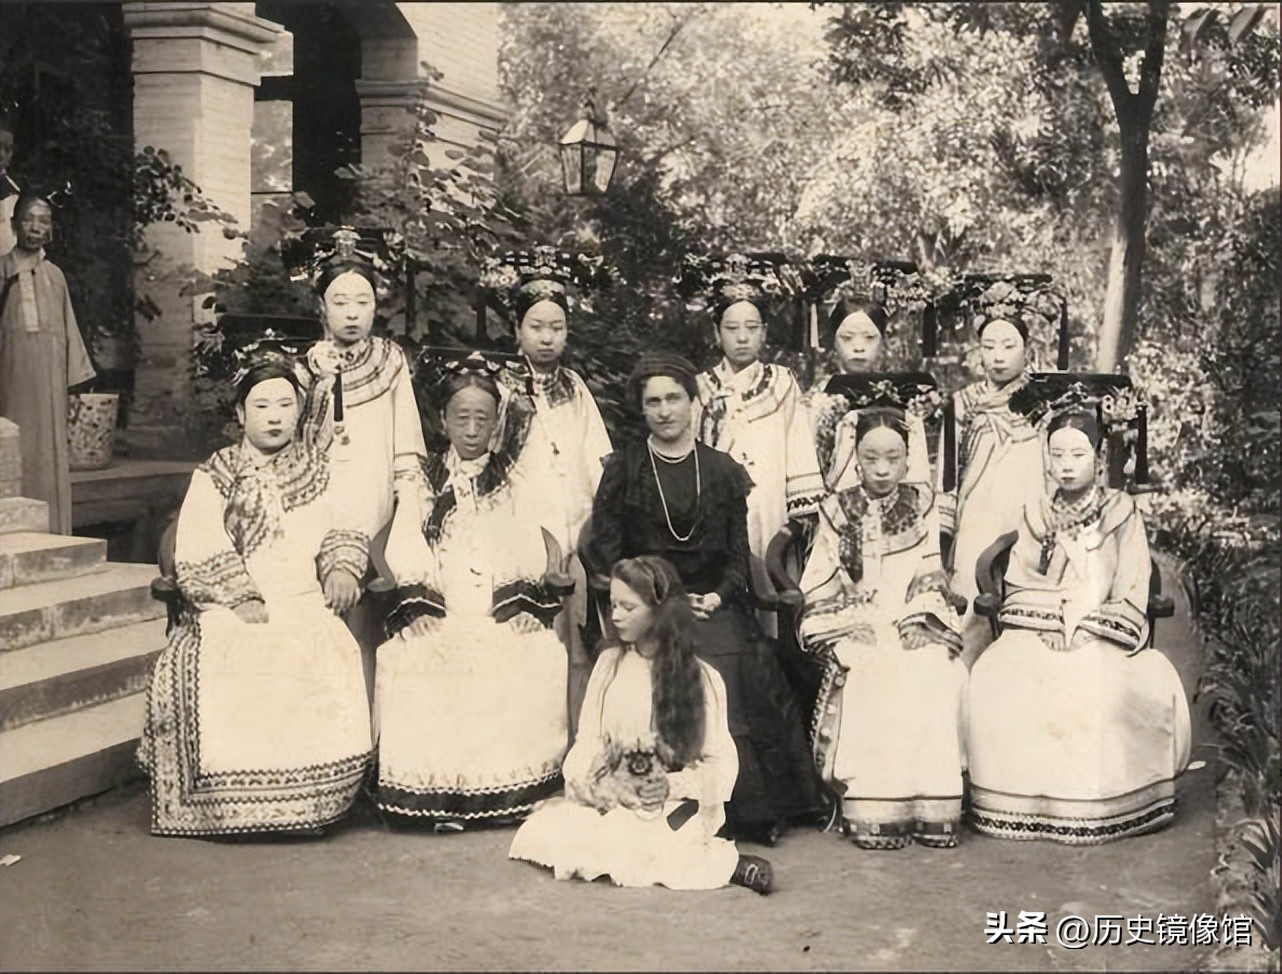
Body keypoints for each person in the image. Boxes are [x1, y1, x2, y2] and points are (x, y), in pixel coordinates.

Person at [583, 351, 824, 845]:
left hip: (713, 604)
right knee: (677, 650)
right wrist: (659, 600)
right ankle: (664, 795)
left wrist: (716, 596)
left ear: (695, 403)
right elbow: (608, 553)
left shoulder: (722, 471)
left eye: (675, 398)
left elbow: (738, 556)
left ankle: (746, 809)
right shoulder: (624, 469)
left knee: (734, 656)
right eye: (654, 402)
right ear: (642, 409)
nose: (665, 410)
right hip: (648, 606)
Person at [138, 349, 373, 836]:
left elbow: (343, 527)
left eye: (285, 405)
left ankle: (311, 802)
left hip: (305, 597)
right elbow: (199, 542)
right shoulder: (216, 474)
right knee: (226, 649)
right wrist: (240, 596)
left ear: (299, 411)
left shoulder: (321, 470)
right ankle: (226, 804)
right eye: (262, 405)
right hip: (231, 598)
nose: (274, 416)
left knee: (323, 648)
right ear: (241, 413)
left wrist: (342, 569)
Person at [966, 401, 1192, 844]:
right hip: (1038, 627)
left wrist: (1087, 628)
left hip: (1101, 629)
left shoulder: (1122, 511)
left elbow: (1131, 585)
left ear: (1098, 458)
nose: (1066, 466)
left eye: (1078, 455)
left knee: (1097, 686)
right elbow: (1019, 580)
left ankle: (1097, 805)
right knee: (997, 678)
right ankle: (1019, 807)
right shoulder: (1036, 511)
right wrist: (1049, 625)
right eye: (1058, 455)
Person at [373, 355, 569, 829]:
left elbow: (526, 541)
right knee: (422, 656)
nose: (472, 428)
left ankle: (506, 791)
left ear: (497, 423)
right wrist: (420, 603)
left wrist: (523, 603)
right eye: (462, 417)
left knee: (530, 653)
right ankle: (436, 794)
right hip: (441, 606)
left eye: (483, 417)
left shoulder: (511, 482)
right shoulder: (422, 481)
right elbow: (404, 541)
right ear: (443, 420)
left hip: (495, 607)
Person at [509, 556, 773, 893]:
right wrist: (595, 783)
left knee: (655, 837)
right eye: (612, 604)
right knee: (558, 831)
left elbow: (719, 765)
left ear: (660, 611)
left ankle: (728, 862)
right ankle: (703, 860)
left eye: (628, 607)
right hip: (613, 795)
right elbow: (587, 740)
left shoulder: (701, 678)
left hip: (668, 802)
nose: (615, 615)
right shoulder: (608, 665)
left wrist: (669, 787)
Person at [798, 405, 966, 849]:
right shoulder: (837, 509)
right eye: (871, 458)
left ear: (909, 457)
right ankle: (875, 807)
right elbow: (820, 577)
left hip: (910, 613)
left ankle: (931, 805)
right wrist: (847, 623)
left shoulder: (921, 503)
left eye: (893, 457)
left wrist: (922, 622)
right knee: (869, 665)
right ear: (855, 456)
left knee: (929, 664)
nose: (883, 468)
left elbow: (931, 569)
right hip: (857, 615)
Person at [483, 247, 615, 739]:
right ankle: (525, 741)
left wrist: (597, 528)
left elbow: (598, 462)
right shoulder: (498, 386)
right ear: (517, 329)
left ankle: (575, 740)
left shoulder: (574, 386)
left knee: (577, 643)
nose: (546, 337)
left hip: (575, 530)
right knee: (523, 640)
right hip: (519, 530)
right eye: (536, 326)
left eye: (556, 327)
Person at [301, 230, 428, 697]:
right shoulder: (306, 369)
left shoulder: (390, 362)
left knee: (371, 628)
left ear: (376, 306)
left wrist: (407, 506)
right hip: (324, 507)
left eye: (362, 301)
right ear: (322, 308)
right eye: (340, 302)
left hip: (376, 507)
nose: (352, 312)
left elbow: (407, 445)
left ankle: (371, 731)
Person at [689, 254, 825, 634]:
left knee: (774, 594)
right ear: (716, 333)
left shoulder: (782, 383)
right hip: (716, 514)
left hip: (770, 509)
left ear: (764, 331)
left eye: (751, 327)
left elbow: (797, 446)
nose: (742, 336)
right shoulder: (698, 388)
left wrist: (799, 518)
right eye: (732, 328)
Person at [937, 315, 1045, 667]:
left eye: (1009, 346)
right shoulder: (962, 404)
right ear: (977, 351)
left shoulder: (1043, 404)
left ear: (1027, 350)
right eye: (989, 346)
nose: (999, 356)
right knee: (970, 607)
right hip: (977, 519)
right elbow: (947, 475)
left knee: (1025, 607)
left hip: (1028, 516)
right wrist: (943, 531)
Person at [0, 192, 95, 533]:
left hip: (51, 382)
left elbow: (68, 329)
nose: (36, 227)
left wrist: (75, 382)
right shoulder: (3, 268)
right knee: (15, 449)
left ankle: (54, 531)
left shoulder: (56, 276)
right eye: (28, 219)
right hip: (11, 379)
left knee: (49, 456)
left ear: (52, 229)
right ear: (13, 224)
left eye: (44, 220)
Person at [807, 294, 932, 490]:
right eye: (847, 338)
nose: (858, 347)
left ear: (883, 341)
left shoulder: (902, 394)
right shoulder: (819, 397)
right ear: (833, 341)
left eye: (869, 338)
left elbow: (917, 470)